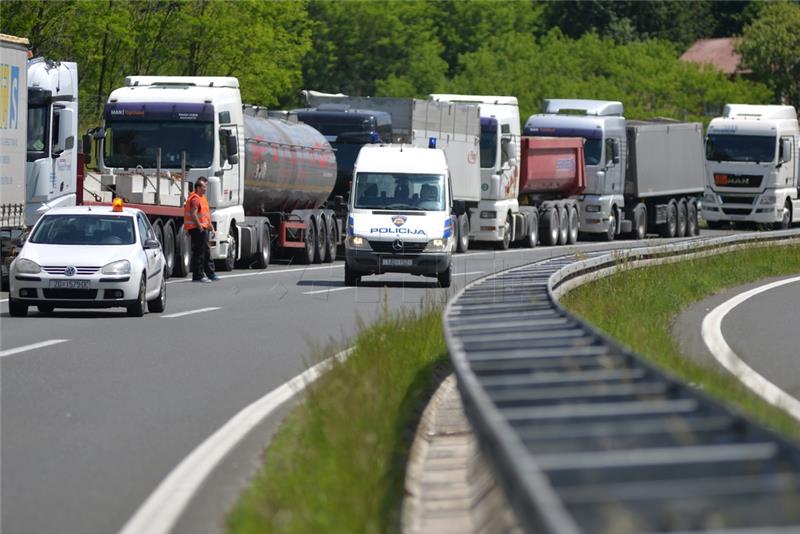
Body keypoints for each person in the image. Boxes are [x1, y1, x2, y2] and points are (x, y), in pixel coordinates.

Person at [183, 177, 219, 282]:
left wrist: (210, 226)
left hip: (202, 228)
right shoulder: (195, 199)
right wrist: (200, 228)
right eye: (204, 187)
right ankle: (198, 275)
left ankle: (209, 274)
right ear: (198, 187)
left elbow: (205, 215)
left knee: (205, 251)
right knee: (200, 252)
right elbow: (193, 214)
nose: (205, 189)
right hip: (197, 229)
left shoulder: (202, 198)